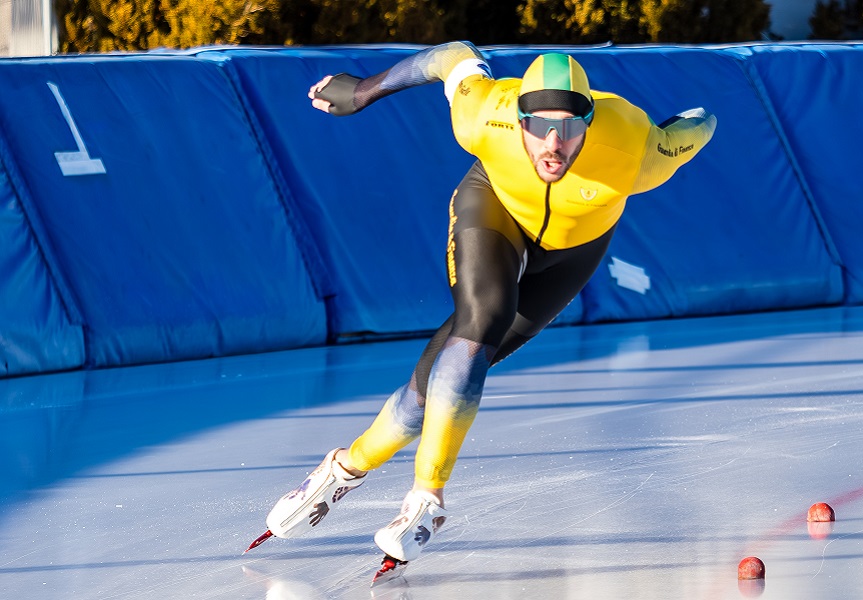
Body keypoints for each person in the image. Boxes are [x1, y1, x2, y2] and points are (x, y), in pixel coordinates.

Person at [258, 40, 717, 577]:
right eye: (538, 125)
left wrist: (700, 117)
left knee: (429, 390)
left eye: (569, 128)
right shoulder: (483, 113)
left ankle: (344, 469)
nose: (553, 143)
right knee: (483, 319)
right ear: (515, 116)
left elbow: (698, 125)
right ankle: (428, 498)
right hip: (493, 206)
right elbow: (451, 56)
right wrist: (364, 91)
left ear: (590, 122)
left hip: (572, 252)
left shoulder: (636, 149)